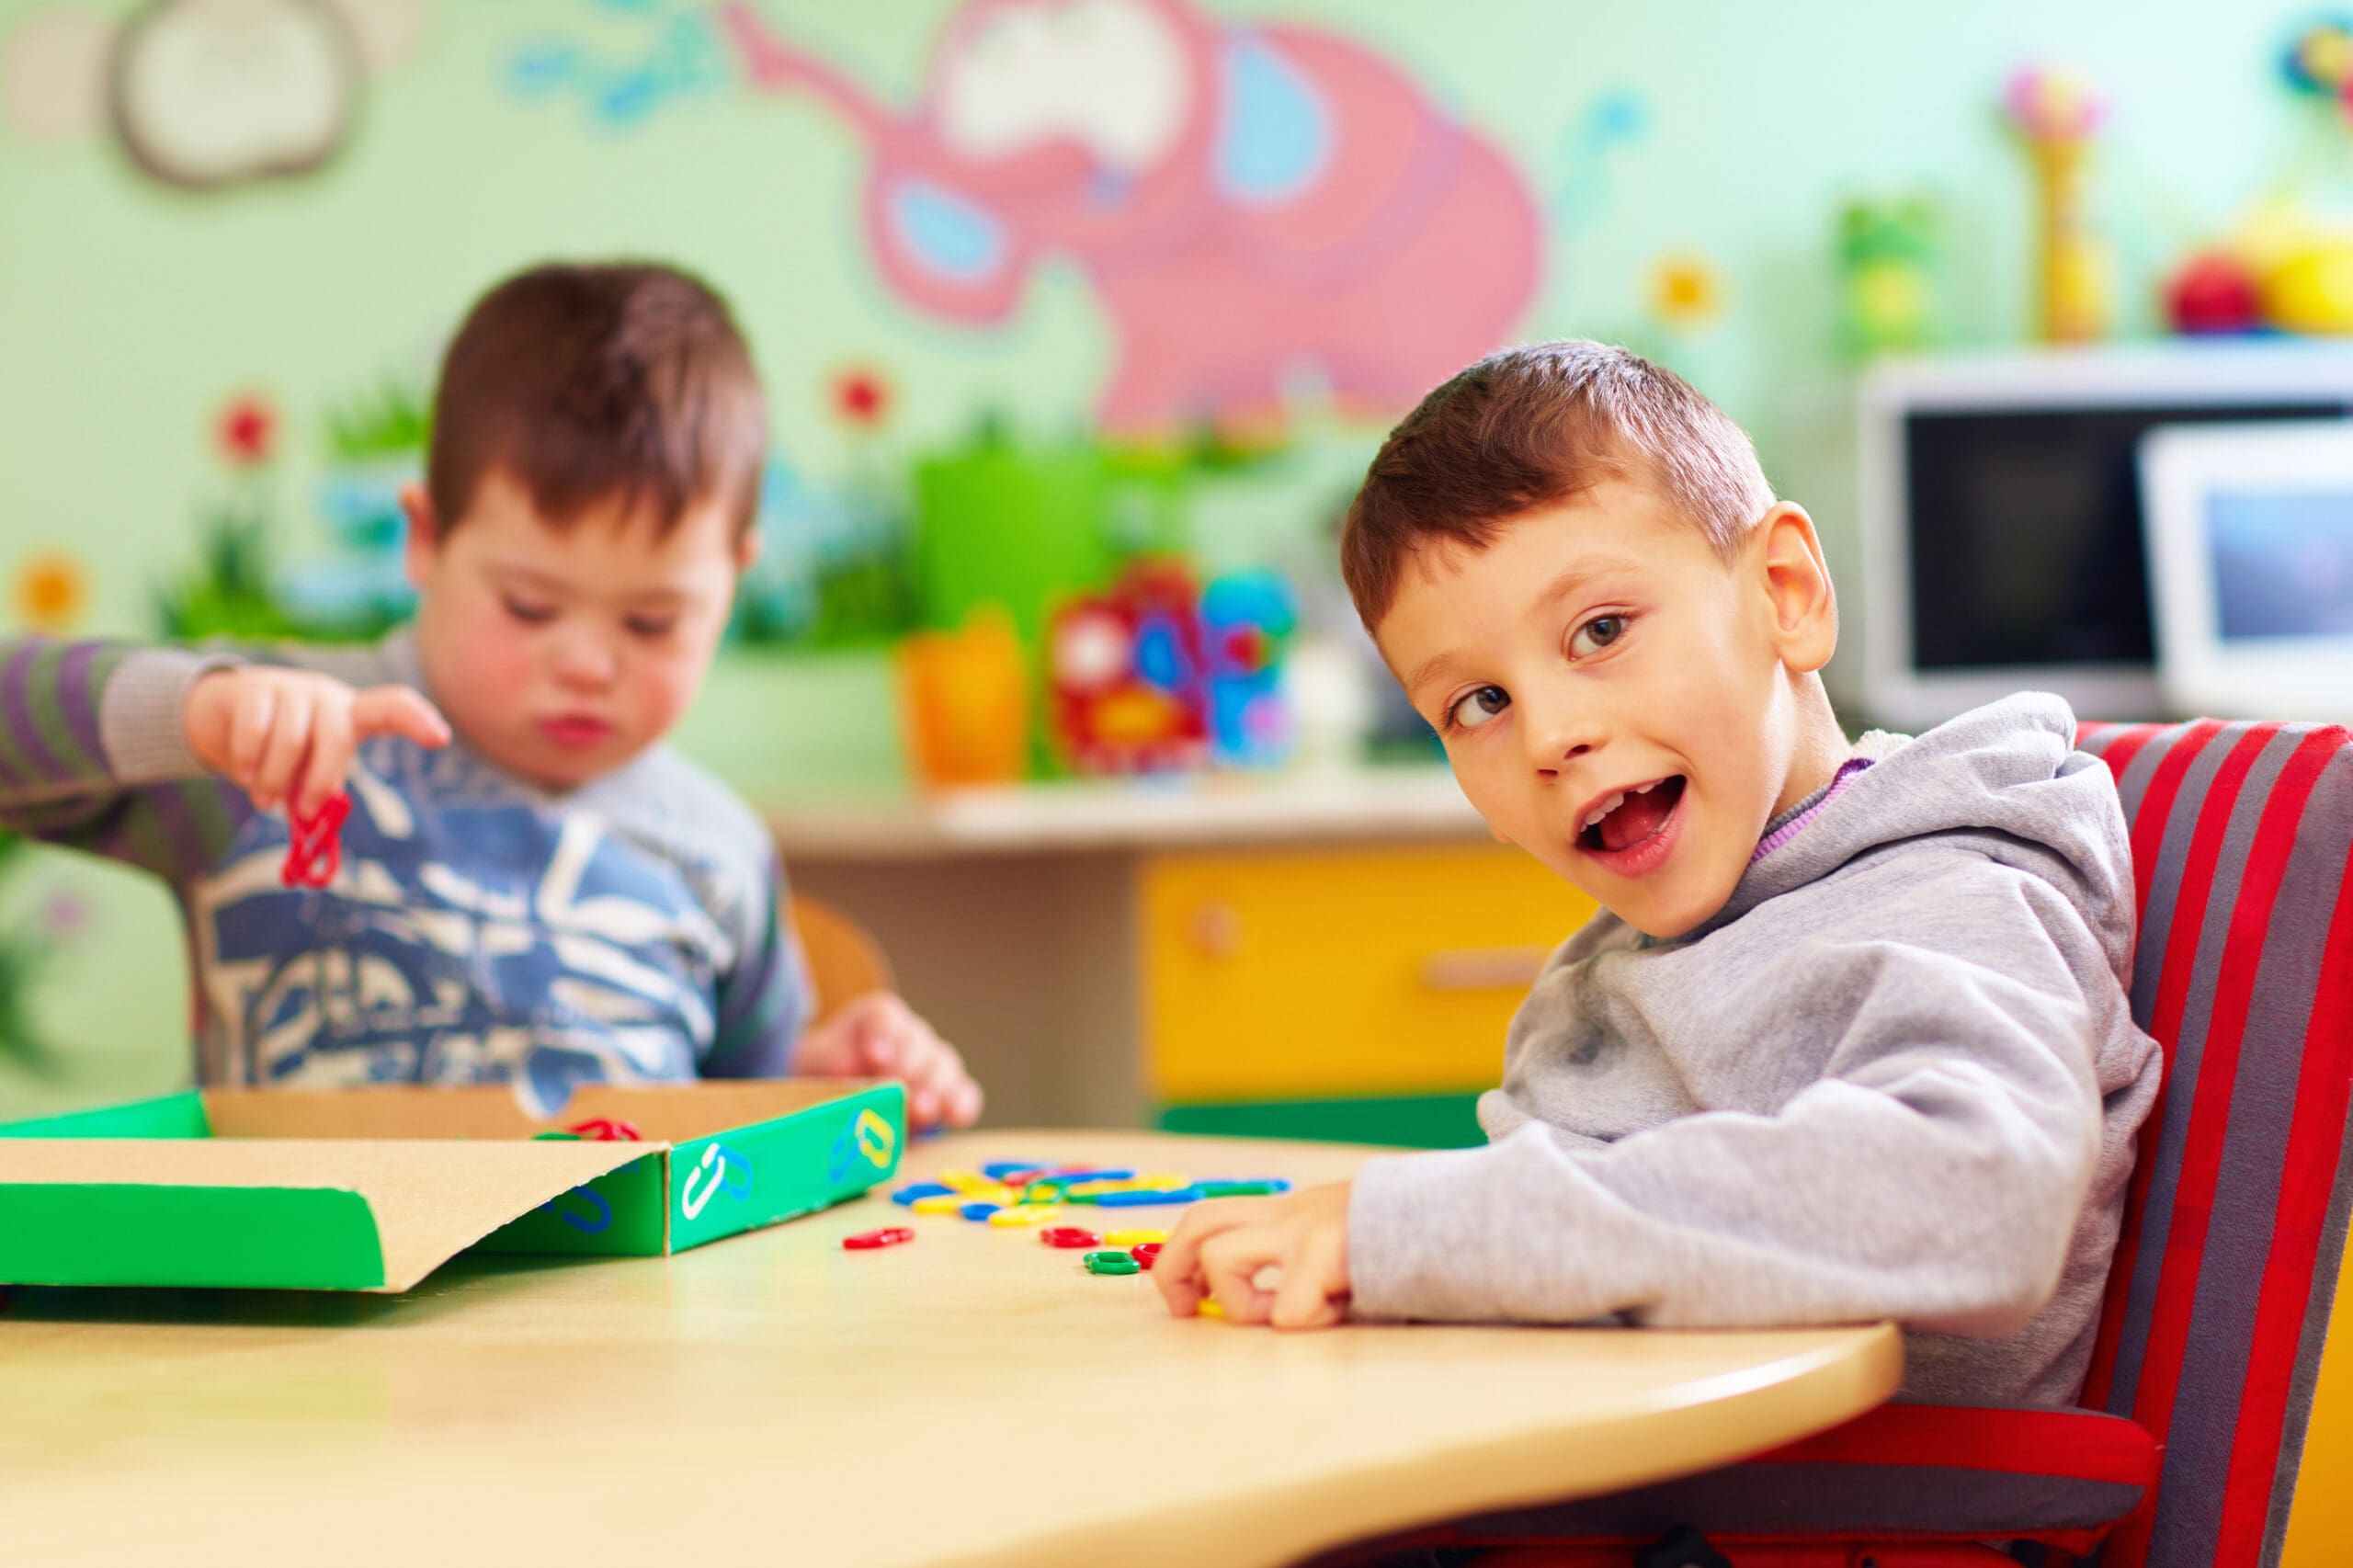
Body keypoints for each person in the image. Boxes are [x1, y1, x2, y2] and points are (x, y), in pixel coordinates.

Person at [1154, 340, 2159, 1405]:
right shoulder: (1602, 978)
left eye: (1599, 630)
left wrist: (1414, 1226)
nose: (1547, 734)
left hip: (1825, 1529)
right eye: (1477, 704)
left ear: (1783, 593)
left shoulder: (1944, 895)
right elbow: (1549, 1264)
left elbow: (1976, 1196)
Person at [0, 261, 982, 1129]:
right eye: (528, 605)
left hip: (617, 1331)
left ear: (733, 578)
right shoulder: (261, 742)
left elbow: (740, 1116)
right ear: (425, 538)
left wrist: (824, 1080)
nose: (588, 663)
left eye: (651, 622)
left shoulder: (716, 847)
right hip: (298, 1324)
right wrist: (195, 713)